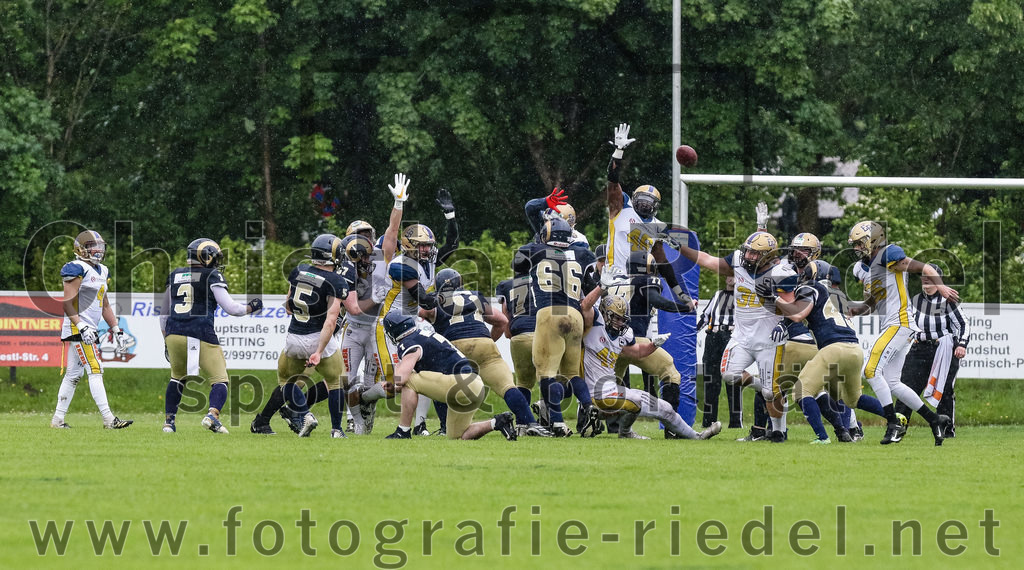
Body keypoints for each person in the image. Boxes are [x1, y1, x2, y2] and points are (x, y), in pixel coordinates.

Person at [677, 230, 799, 442]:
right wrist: (678, 247)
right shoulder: (737, 262)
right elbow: (706, 259)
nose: (748, 256)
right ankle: (764, 386)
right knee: (729, 375)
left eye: (754, 254)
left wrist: (774, 300)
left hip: (769, 340)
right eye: (748, 252)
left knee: (771, 395)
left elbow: (793, 309)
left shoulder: (781, 272)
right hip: (742, 336)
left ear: (768, 256)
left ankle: (779, 431)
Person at [847, 221, 955, 444]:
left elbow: (926, 268)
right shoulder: (865, 268)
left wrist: (941, 285)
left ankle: (892, 421)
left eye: (860, 244)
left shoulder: (889, 255)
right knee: (893, 381)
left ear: (872, 241)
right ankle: (935, 420)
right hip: (896, 325)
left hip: (901, 323)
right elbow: (874, 302)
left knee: (870, 370)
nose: (856, 248)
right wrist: (855, 310)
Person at [767, 261, 894, 444]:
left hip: (833, 349)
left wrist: (776, 298)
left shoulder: (812, 288)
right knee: (853, 399)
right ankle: (895, 418)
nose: (801, 277)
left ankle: (823, 437)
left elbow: (797, 315)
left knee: (801, 392)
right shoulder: (837, 296)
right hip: (855, 350)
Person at [428, 269, 552, 436]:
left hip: (454, 346)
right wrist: (488, 340)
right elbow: (501, 320)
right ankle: (530, 422)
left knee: (439, 381)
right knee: (507, 386)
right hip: (484, 344)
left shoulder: (435, 301)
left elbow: (419, 315)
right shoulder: (474, 296)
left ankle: (445, 427)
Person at [377, 189, 460, 435]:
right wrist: (447, 295)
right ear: (410, 247)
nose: (428, 251)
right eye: (423, 247)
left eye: (429, 247)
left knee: (429, 371)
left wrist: (450, 215)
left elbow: (452, 244)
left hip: (414, 324)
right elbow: (424, 300)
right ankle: (364, 399)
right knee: (395, 384)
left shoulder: (428, 261)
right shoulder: (401, 265)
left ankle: (427, 425)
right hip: (392, 326)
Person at [582, 295, 722, 441]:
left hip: (612, 390)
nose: (620, 323)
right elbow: (585, 306)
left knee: (666, 409)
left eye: (623, 319)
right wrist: (601, 286)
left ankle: (696, 436)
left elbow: (637, 352)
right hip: (595, 394)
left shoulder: (623, 335)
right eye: (616, 318)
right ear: (604, 314)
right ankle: (602, 421)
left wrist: (653, 345)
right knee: (635, 401)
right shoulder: (593, 326)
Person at [161, 238, 263, 433]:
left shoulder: (175, 275)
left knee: (177, 378)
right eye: (215, 257)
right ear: (205, 256)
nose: (216, 262)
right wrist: (252, 307)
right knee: (220, 379)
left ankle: (169, 422)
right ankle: (212, 416)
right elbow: (231, 308)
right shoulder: (211, 275)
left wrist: (166, 337)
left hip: (173, 331)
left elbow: (163, 313)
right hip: (200, 331)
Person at [512, 217, 598, 437]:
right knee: (571, 372)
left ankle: (558, 422)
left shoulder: (533, 249)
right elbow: (590, 283)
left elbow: (518, 266)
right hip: (575, 314)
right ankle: (588, 405)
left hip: (551, 311)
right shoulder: (582, 254)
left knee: (545, 372)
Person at [381, 312, 516, 440]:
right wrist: (396, 384)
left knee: (409, 380)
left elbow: (402, 379)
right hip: (475, 385)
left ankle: (403, 431)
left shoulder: (409, 342)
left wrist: (397, 372)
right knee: (458, 435)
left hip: (460, 382)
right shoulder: (423, 335)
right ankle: (497, 422)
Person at [602, 251, 695, 437]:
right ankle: (673, 430)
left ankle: (589, 420)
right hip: (634, 341)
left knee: (606, 392)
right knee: (670, 373)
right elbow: (656, 300)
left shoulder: (613, 283)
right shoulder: (644, 281)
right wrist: (685, 307)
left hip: (610, 344)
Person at [50, 230, 133, 430]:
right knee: (95, 369)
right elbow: (68, 303)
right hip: (78, 327)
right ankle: (108, 419)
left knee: (73, 375)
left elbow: (104, 305)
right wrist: (81, 325)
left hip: (90, 327)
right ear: (81, 248)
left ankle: (57, 420)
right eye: (91, 246)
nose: (97, 250)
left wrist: (116, 329)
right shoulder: (76, 268)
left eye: (99, 246)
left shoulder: (103, 270)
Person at [274, 233, 350, 438]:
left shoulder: (298, 270)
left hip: (294, 337)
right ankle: (336, 429)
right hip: (318, 337)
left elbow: (289, 306)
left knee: (286, 381)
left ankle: (305, 414)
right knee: (336, 382)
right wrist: (318, 351)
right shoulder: (336, 280)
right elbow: (331, 319)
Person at [896, 264, 968, 437]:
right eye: (924, 278)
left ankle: (947, 429)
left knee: (944, 390)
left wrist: (961, 344)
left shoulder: (947, 301)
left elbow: (963, 324)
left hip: (942, 349)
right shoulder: (915, 300)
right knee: (905, 387)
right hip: (919, 348)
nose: (926, 282)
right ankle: (898, 426)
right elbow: (908, 323)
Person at [696, 276, 743, 429]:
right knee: (710, 381)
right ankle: (708, 421)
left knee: (733, 380)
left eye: (734, 274)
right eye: (727, 274)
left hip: (731, 338)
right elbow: (705, 316)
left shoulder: (743, 296)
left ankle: (736, 422)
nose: (730, 278)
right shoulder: (717, 295)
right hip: (713, 337)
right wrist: (693, 331)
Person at [525, 188, 590, 248]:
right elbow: (530, 208)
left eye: (550, 221)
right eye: (546, 220)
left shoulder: (578, 241)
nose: (546, 223)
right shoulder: (544, 229)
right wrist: (544, 202)